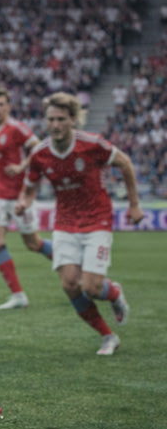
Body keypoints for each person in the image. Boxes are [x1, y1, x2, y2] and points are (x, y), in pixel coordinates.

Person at [15, 92, 142, 355]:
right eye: (51, 119)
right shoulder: (39, 154)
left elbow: (125, 163)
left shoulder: (93, 144)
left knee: (92, 287)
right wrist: (23, 203)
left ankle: (114, 293)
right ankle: (107, 336)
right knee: (70, 285)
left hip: (97, 220)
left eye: (61, 119)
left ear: (73, 119)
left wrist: (134, 204)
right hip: (65, 222)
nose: (55, 125)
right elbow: (29, 189)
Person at [0, 86, 52, 309]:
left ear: (8, 106)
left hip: (18, 194)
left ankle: (71, 265)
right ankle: (18, 295)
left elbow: (39, 148)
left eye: (0, 104)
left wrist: (23, 165)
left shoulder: (17, 128)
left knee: (33, 243)